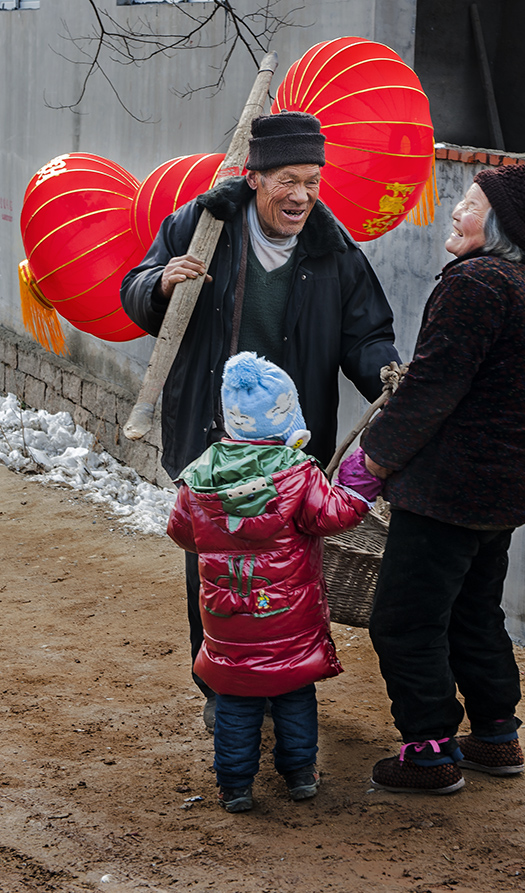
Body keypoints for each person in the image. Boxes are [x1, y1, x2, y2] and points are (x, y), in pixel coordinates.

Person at [121, 111, 400, 728]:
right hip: (212, 439)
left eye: (313, 180)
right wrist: (162, 284)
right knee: (217, 571)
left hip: (292, 453)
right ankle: (222, 693)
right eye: (288, 180)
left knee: (290, 573)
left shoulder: (333, 251)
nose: (302, 195)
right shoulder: (203, 226)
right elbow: (135, 290)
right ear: (254, 178)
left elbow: (367, 335)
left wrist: (388, 376)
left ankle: (283, 686)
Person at [361, 162, 525, 794]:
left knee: (405, 619)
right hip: (499, 495)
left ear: (499, 224)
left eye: (472, 204)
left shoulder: (475, 285)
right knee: (474, 611)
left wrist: (374, 457)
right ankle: (496, 735)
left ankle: (429, 753)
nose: (455, 210)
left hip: (448, 494)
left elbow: (431, 385)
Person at [166, 352, 383, 812]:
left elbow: (182, 532)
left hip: (227, 616)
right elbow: (338, 514)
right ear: (288, 414)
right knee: (294, 691)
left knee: (236, 698)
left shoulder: (199, 474)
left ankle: (234, 786)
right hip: (289, 615)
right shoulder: (298, 474)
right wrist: (361, 479)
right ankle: (301, 774)